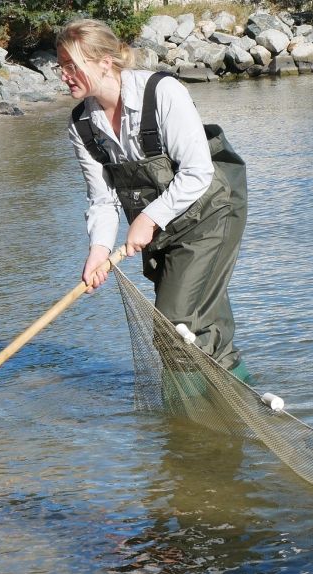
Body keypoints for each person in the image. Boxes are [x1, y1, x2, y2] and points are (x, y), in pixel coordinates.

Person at [56, 18, 250, 382]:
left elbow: (196, 171)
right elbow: (102, 199)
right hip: (163, 231)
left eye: (72, 65)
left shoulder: (162, 92)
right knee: (204, 326)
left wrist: (147, 219)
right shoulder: (81, 124)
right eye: (61, 65)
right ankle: (239, 407)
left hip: (212, 214)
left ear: (104, 62)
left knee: (173, 323)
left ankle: (186, 425)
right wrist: (99, 250)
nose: (64, 75)